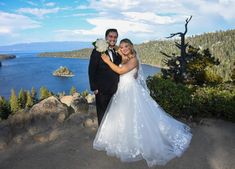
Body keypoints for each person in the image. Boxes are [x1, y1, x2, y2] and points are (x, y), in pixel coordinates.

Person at [93, 38, 193, 167]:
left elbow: (120, 71)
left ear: (131, 47)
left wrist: (107, 61)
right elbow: (127, 72)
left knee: (136, 117)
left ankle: (138, 142)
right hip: (121, 91)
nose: (123, 49)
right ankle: (125, 141)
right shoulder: (120, 58)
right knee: (123, 117)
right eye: (122, 47)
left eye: (126, 47)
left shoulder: (133, 60)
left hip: (130, 91)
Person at [88, 28, 122, 126]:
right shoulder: (97, 51)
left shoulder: (116, 52)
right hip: (101, 90)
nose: (113, 39)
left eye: (115, 37)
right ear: (106, 37)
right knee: (102, 115)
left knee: (113, 114)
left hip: (115, 89)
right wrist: (94, 87)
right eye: (110, 36)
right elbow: (91, 70)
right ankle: (101, 138)